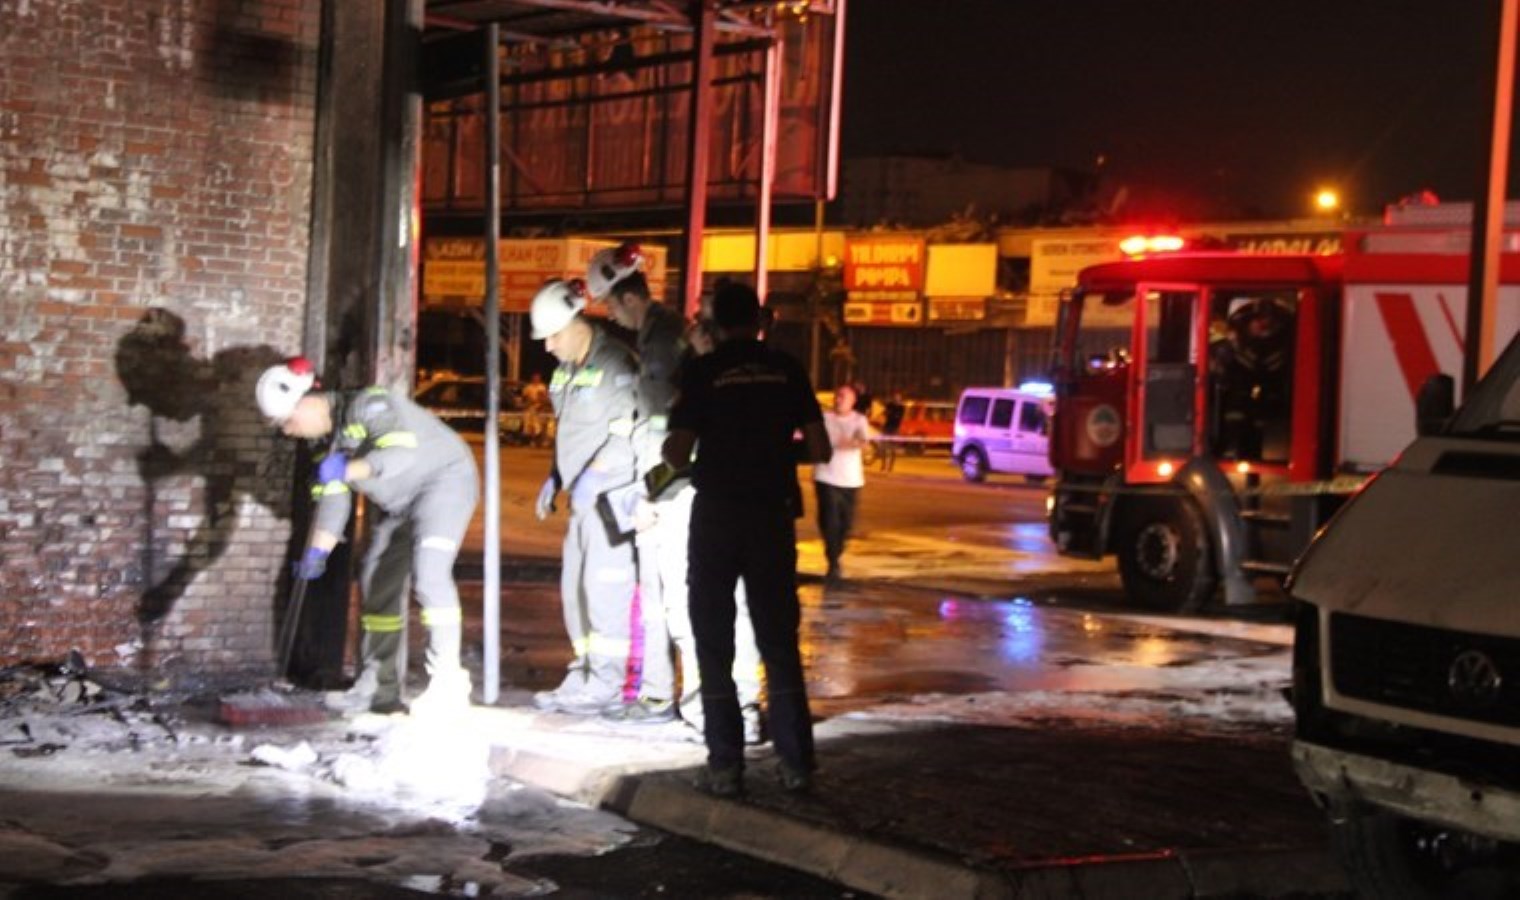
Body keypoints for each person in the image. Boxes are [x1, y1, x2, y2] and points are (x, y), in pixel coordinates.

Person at [664, 281, 832, 797]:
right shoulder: (787, 369)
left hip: (717, 516)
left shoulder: (704, 371)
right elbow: (822, 448)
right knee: (778, 641)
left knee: (713, 642)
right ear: (760, 320)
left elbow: (675, 451)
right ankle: (796, 764)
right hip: (771, 516)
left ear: (715, 324)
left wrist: (705, 452)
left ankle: (725, 766)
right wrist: (774, 456)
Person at [256, 357, 479, 716]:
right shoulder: (322, 446)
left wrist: (346, 468)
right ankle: (378, 687)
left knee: (430, 575)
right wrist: (317, 554)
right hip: (400, 505)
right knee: (376, 580)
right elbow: (333, 507)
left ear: (306, 403)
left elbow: (400, 455)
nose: (287, 431)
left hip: (444, 484)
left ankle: (448, 683)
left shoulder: (370, 404)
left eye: (287, 421)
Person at [528, 278, 641, 716]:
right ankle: (585, 672)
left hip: (612, 498)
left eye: (555, 335)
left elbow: (629, 428)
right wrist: (556, 476)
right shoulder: (563, 373)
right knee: (574, 587)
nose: (549, 346)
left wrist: (595, 474)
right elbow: (571, 434)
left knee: (605, 588)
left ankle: (608, 683)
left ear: (577, 323)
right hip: (581, 498)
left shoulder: (616, 365)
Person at [1210, 295, 1295, 461]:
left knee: (1258, 427)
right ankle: (1227, 449)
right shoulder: (1228, 348)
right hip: (1232, 405)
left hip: (1273, 422)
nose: (1265, 326)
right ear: (1246, 323)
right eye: (1259, 321)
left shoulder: (1285, 351)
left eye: (1271, 322)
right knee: (1234, 420)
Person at [814, 383, 873, 585]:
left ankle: (835, 553)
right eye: (837, 395)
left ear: (853, 401)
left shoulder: (859, 420)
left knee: (846, 524)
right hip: (826, 477)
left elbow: (865, 443)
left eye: (844, 396)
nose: (839, 399)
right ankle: (833, 562)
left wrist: (855, 443)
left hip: (851, 479)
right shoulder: (824, 418)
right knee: (829, 520)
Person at [878, 390, 906, 473]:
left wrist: (891, 413)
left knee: (893, 449)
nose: (896, 398)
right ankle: (883, 466)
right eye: (895, 396)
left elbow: (898, 417)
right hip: (886, 427)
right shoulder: (889, 405)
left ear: (900, 398)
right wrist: (888, 413)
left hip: (895, 429)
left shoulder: (901, 407)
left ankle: (890, 467)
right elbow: (884, 413)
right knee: (883, 448)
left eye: (898, 396)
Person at [521, 371, 551, 448]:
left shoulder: (542, 387)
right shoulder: (528, 387)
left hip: (539, 409)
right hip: (529, 409)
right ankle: (532, 441)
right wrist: (528, 402)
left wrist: (540, 403)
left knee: (539, 426)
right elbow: (524, 398)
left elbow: (544, 398)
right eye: (535, 378)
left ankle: (541, 441)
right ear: (532, 378)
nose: (536, 379)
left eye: (537, 378)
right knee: (529, 426)